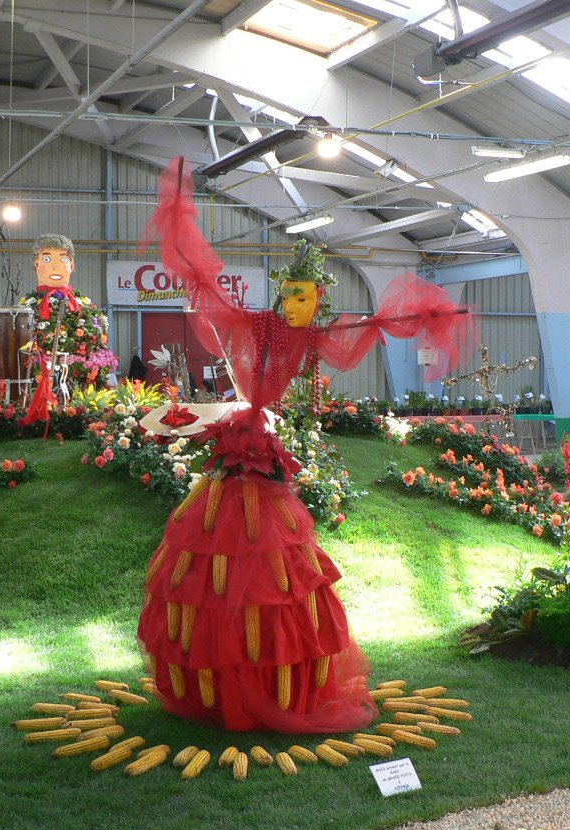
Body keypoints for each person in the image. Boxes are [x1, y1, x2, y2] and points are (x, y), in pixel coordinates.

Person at [135, 156, 474, 734]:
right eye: (288, 295)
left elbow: (369, 328)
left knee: (274, 575)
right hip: (238, 461)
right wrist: (185, 246)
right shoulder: (255, 326)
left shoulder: (314, 336)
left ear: (318, 299)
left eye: (305, 297)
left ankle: (267, 677)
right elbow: (211, 293)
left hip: (261, 463)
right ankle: (223, 678)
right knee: (224, 567)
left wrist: (422, 315)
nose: (293, 306)